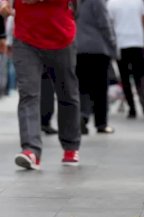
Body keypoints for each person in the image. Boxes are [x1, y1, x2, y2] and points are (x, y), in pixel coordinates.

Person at [0, 0, 81, 169]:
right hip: (25, 38)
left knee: (67, 93)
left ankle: (71, 146)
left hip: (61, 37)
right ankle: (31, 150)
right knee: (28, 94)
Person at [107, 0, 144, 118]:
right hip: (137, 42)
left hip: (120, 44)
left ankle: (131, 107)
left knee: (124, 77)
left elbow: (109, 24)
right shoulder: (138, 2)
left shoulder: (111, 3)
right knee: (140, 75)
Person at [76, 0, 117, 134]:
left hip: (78, 49)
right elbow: (104, 24)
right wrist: (113, 45)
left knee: (82, 87)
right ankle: (101, 123)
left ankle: (83, 116)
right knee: (100, 88)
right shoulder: (97, 1)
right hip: (97, 49)